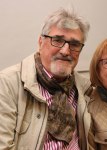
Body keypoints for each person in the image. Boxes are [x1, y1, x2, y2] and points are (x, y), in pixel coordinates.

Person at [0, 8, 91, 150]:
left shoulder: (83, 87)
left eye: (74, 44)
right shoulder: (8, 83)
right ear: (40, 42)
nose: (65, 51)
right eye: (57, 40)